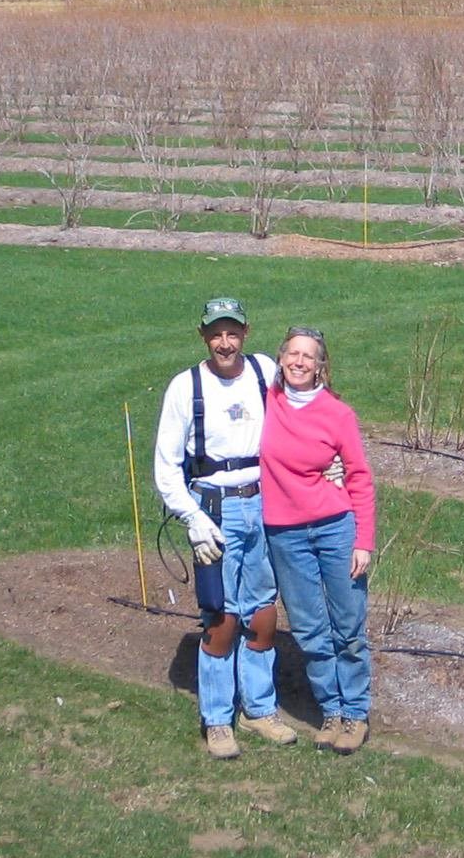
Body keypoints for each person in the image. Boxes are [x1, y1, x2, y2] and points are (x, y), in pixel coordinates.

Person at [153, 297, 299, 760]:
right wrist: (193, 519)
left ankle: (259, 708)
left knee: (263, 611)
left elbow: (303, 415)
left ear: (245, 333)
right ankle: (217, 719)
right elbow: (166, 467)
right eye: (215, 334)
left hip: (265, 502)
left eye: (232, 332)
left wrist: (330, 461)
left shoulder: (263, 371)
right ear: (203, 336)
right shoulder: (186, 387)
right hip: (214, 510)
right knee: (220, 614)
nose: (224, 343)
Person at [261, 327, 377, 755]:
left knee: (348, 626)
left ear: (320, 365)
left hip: (335, 528)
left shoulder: (337, 414)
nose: (299, 362)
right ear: (280, 358)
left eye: (308, 356)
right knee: (310, 629)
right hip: (285, 534)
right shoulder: (266, 402)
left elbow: (359, 476)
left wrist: (363, 540)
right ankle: (331, 711)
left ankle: (356, 713)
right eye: (292, 353)